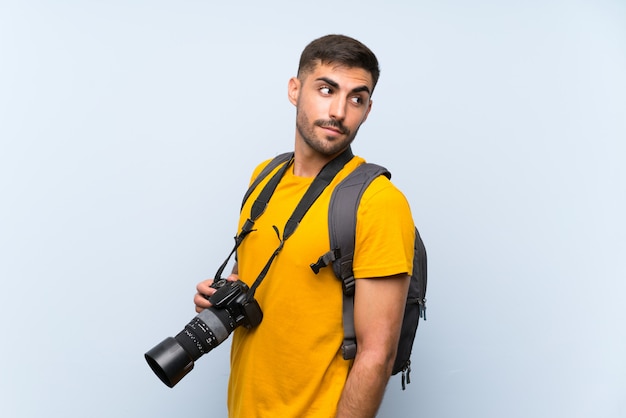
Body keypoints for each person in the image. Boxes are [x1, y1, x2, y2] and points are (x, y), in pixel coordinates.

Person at [194, 34, 415, 418]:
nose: (340, 111)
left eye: (356, 98)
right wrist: (223, 296)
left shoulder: (378, 203)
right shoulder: (265, 176)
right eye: (326, 89)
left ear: (368, 108)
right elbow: (266, 285)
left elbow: (377, 356)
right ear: (295, 90)